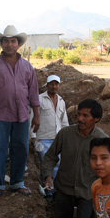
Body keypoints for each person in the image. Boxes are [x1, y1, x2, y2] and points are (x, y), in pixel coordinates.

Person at [43, 99, 107, 218]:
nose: (80, 118)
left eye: (85, 115)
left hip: (88, 193)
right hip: (64, 189)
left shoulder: (102, 140)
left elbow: (109, 170)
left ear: (96, 119)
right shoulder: (66, 134)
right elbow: (50, 157)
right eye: (79, 114)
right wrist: (48, 176)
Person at [0, 25, 40, 201]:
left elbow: (33, 92)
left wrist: (36, 115)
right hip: (0, 115)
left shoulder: (27, 67)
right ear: (1, 44)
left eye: (13, 41)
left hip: (22, 115)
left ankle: (17, 183)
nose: (9, 44)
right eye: (6, 41)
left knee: (21, 149)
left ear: (18, 44)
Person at [31, 74, 69, 202]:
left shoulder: (62, 101)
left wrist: (66, 137)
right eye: (51, 84)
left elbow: (64, 122)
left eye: (56, 84)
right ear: (47, 85)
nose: (54, 86)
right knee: (46, 164)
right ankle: (48, 190)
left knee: (57, 164)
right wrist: (33, 137)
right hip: (43, 138)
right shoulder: (39, 99)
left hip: (58, 138)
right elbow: (32, 118)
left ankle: (54, 189)